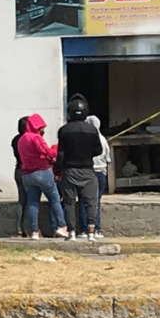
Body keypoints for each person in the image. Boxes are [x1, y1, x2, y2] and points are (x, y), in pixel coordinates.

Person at [57, 95, 102, 242]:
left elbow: (61, 153)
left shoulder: (64, 131)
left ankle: (71, 233)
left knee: (69, 203)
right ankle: (91, 231)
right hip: (88, 170)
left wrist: (58, 169)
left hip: (69, 170)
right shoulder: (92, 130)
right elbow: (98, 150)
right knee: (91, 202)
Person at [18, 114, 68, 240]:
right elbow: (47, 151)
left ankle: (34, 231)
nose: (42, 130)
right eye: (40, 128)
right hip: (42, 172)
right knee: (55, 199)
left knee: (33, 203)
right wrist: (57, 150)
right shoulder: (36, 138)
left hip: (27, 174)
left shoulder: (21, 139)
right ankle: (62, 227)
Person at [78, 115, 110, 239]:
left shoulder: (83, 139)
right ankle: (96, 229)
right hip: (100, 173)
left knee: (82, 201)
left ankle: (83, 230)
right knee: (95, 201)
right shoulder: (103, 140)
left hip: (87, 172)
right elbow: (108, 159)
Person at [11, 116, 30, 238]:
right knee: (31, 200)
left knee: (21, 200)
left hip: (18, 169)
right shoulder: (28, 139)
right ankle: (30, 228)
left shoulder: (15, 140)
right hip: (27, 170)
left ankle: (19, 229)